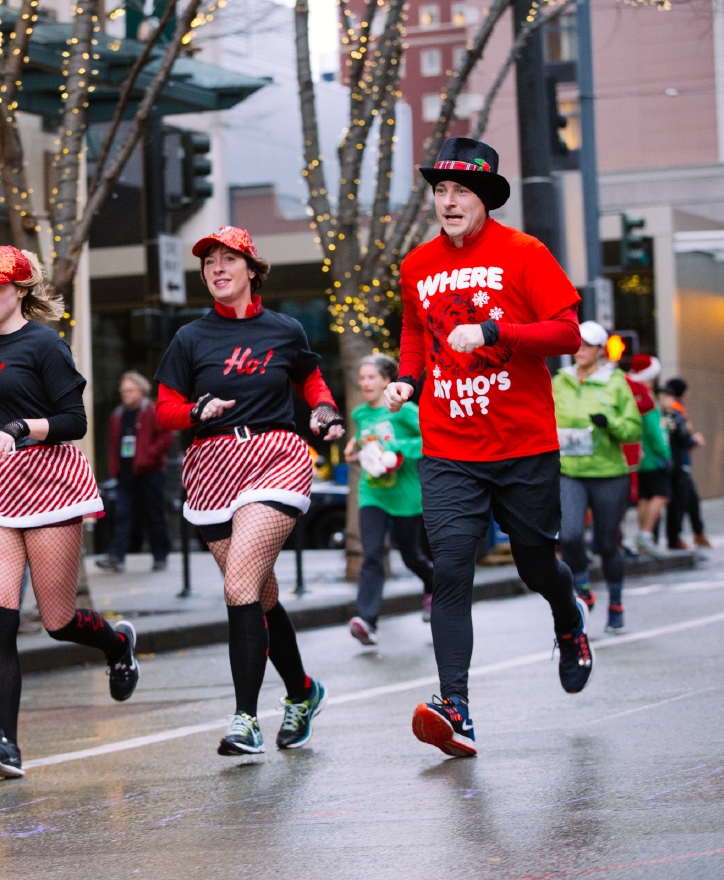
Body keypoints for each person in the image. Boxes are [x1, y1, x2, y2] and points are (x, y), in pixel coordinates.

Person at [385, 137, 592, 759]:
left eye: (460, 192)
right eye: (440, 191)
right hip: (448, 444)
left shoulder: (523, 252)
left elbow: (566, 332)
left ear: (484, 199)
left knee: (535, 564)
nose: (448, 202)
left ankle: (568, 615)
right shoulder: (416, 264)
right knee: (450, 565)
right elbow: (416, 334)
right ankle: (457, 708)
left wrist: (496, 329)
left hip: (522, 441)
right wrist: (407, 379)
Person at [0, 245, 139, 779]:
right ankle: (6, 744)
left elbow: (74, 421)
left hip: (50, 486)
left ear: (20, 292)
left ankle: (117, 644)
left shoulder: (46, 344)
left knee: (57, 621)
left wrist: (22, 429)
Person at [154, 225, 343, 755]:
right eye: (209, 262)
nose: (217, 268)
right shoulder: (190, 338)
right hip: (212, 467)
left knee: (238, 586)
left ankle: (245, 719)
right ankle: (303, 691)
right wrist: (194, 411)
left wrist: (324, 411)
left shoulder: (284, 329)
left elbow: (310, 381)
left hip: (275, 458)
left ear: (252, 270)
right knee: (259, 594)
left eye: (228, 259)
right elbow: (166, 408)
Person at [553, 321, 641, 635]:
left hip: (608, 473)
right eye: (577, 343)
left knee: (606, 543)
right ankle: (583, 589)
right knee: (571, 536)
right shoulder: (559, 381)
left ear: (600, 350)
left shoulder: (615, 383)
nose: (581, 349)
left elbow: (633, 430)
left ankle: (616, 604)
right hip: (570, 472)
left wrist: (611, 423)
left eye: (588, 345)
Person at [344, 353, 434, 644]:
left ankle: (435, 589)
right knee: (372, 554)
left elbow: (430, 439)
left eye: (371, 377)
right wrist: (355, 454)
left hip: (405, 495)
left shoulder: (405, 411)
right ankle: (366, 621)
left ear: (387, 380)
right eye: (362, 378)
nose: (365, 383)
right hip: (372, 493)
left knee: (411, 556)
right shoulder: (360, 414)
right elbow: (365, 447)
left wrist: (397, 446)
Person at [96, 370, 175, 574]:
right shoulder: (118, 414)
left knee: (154, 515)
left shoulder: (151, 410)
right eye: (123, 391)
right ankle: (117, 557)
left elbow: (166, 437)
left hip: (150, 473)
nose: (126, 395)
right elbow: (114, 444)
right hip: (126, 474)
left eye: (130, 390)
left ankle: (160, 556)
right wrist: (114, 468)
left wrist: (149, 455)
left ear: (141, 391)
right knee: (122, 515)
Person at [625, 355, 671, 558]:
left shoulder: (629, 393)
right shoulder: (646, 396)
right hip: (653, 457)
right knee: (661, 495)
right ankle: (645, 535)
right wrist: (665, 454)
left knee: (644, 497)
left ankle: (643, 535)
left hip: (637, 456)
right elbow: (654, 430)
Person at [660, 378, 709, 549]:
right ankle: (675, 539)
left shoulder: (672, 412)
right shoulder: (674, 412)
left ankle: (697, 534)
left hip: (677, 463)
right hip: (678, 463)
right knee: (679, 502)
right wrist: (694, 440)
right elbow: (682, 438)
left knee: (690, 500)